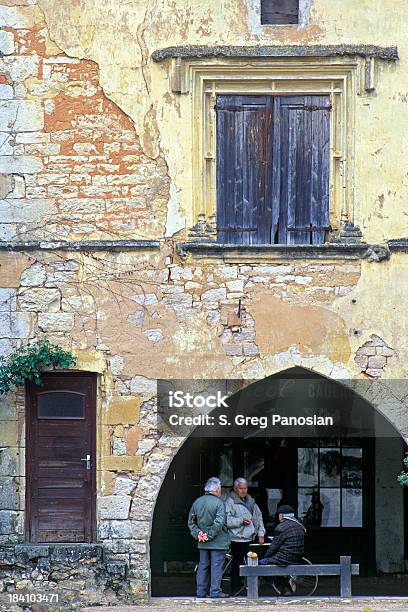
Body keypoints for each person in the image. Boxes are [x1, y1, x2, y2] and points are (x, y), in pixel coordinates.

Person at [188, 477, 231, 598]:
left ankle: (200, 592)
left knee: (203, 566)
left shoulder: (197, 502)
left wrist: (199, 534)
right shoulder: (219, 503)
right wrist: (209, 535)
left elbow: (191, 522)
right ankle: (215, 592)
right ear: (217, 489)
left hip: (202, 542)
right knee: (216, 567)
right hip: (218, 541)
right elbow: (219, 522)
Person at [225, 477, 265, 595]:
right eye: (240, 488)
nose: (243, 491)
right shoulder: (230, 501)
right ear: (235, 488)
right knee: (237, 564)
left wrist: (261, 533)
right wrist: (241, 521)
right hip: (237, 538)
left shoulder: (251, 501)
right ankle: (236, 589)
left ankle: (251, 587)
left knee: (253, 561)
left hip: (250, 537)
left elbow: (259, 517)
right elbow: (226, 520)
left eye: (245, 488)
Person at [259, 504, 306, 595]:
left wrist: (266, 556)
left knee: (261, 563)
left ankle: (283, 581)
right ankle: (286, 586)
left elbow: (274, 547)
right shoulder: (299, 525)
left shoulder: (281, 527)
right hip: (298, 557)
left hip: (285, 557)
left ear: (281, 515)